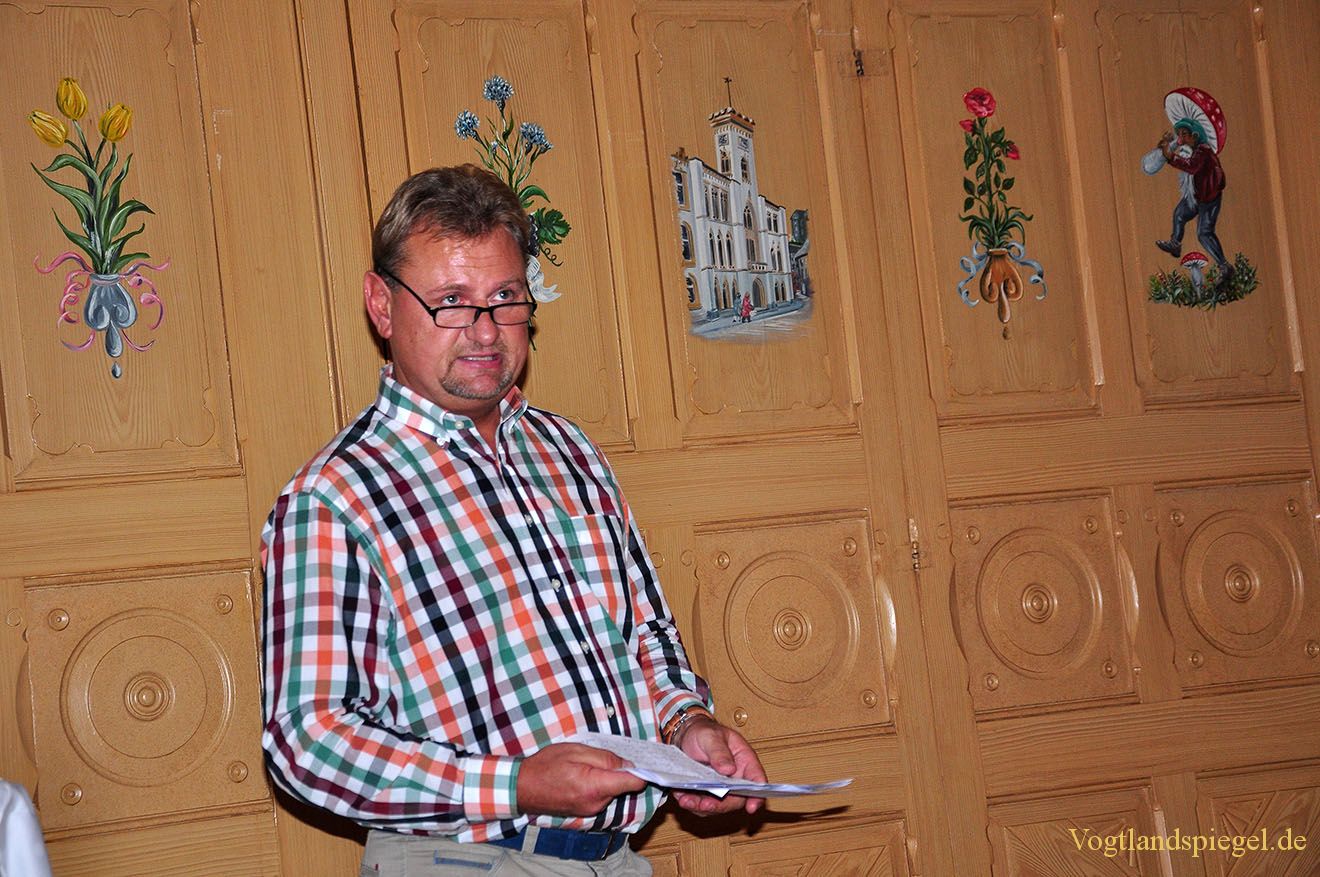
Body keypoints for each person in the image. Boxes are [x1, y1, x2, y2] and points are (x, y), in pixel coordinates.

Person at [261, 164, 766, 876]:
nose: (485, 331)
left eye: (504, 297)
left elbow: (645, 633)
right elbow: (307, 742)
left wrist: (688, 725)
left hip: (618, 859)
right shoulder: (335, 498)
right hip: (460, 860)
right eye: (451, 302)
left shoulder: (569, 450)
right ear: (382, 305)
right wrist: (514, 784)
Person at [1155, 121, 1230, 282]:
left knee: (1204, 233)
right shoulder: (1195, 150)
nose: (1180, 138)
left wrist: (1170, 156)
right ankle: (1175, 244)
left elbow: (1191, 166)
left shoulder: (1203, 151)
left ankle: (1224, 266)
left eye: (1184, 134)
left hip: (1209, 199)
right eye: (1179, 134)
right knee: (1179, 214)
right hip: (1198, 196)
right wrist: (1168, 148)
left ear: (1195, 136)